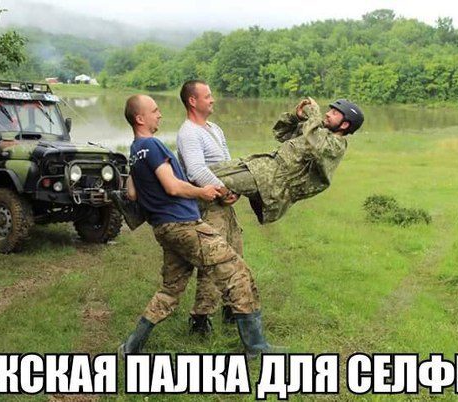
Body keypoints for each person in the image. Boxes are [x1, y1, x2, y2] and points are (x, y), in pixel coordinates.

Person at [119, 94, 275, 359]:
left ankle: (130, 348)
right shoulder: (153, 145)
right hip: (184, 226)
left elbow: (131, 194)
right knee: (238, 275)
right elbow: (172, 186)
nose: (160, 114)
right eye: (155, 111)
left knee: (170, 291)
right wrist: (202, 191)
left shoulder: (134, 151)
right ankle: (257, 349)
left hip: (164, 229)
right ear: (140, 118)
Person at [209, 97, 364, 224]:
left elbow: (315, 143)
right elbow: (281, 133)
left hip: (271, 183)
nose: (328, 114)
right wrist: (296, 116)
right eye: (330, 110)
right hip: (261, 167)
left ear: (344, 124)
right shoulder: (319, 132)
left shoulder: (335, 146)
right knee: (209, 172)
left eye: (335, 113)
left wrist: (314, 114)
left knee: (211, 181)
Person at [176, 80, 242, 334]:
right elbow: (196, 170)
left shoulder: (214, 129)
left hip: (225, 205)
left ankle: (231, 308)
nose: (213, 99)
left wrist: (234, 188)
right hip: (207, 205)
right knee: (213, 259)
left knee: (235, 254)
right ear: (193, 101)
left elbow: (227, 163)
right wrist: (223, 191)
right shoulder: (189, 133)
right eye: (207, 96)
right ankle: (200, 318)